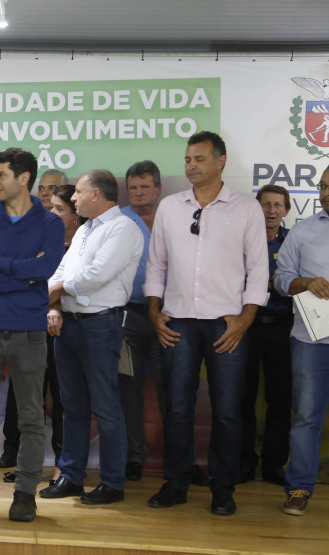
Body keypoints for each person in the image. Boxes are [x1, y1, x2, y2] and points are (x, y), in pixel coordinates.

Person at [144, 131, 268, 516]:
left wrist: (245, 319)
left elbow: (258, 269)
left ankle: (223, 486)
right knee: (177, 408)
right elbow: (156, 264)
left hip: (226, 325)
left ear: (220, 161)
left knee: (227, 410)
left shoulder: (246, 208)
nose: (191, 166)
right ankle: (177, 481)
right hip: (177, 321)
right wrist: (154, 310)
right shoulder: (170, 207)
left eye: (199, 159)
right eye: (187, 159)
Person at [0, 148, 64, 522]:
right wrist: (24, 273)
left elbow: (47, 269)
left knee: (31, 419)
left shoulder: (50, 224)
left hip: (29, 333)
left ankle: (25, 495)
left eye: (1, 175)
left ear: (24, 178)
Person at [41, 170, 143, 506]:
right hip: (69, 325)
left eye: (78, 193)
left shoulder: (123, 228)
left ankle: (113, 482)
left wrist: (54, 291)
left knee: (106, 406)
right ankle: (71, 476)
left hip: (101, 325)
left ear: (97, 194)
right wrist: (54, 294)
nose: (73, 198)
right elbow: (62, 270)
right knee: (73, 405)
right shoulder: (85, 229)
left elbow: (95, 276)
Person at [0, 184, 81, 484]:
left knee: (62, 396)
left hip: (67, 329)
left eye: (60, 209)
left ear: (75, 215)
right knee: (25, 393)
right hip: (31, 323)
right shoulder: (39, 238)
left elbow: (74, 282)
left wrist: (54, 305)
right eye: (50, 209)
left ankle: (62, 462)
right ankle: (20, 457)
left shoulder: (82, 243)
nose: (52, 214)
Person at [273, 165, 329, 516]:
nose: (326, 193)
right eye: (323, 186)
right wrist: (306, 282)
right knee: (306, 416)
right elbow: (281, 279)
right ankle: (299, 488)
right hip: (310, 340)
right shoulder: (303, 231)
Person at [239, 185, 294, 486]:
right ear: (256, 207)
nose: (271, 211)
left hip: (284, 326)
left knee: (280, 399)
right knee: (243, 397)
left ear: (286, 210)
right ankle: (244, 463)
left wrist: (282, 282)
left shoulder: (294, 241)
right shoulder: (243, 239)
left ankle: (273, 464)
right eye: (265, 204)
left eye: (277, 205)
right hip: (247, 325)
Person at [118, 160, 163, 482]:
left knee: (173, 386)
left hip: (167, 316)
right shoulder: (118, 220)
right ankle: (132, 457)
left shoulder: (174, 217)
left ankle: (180, 459)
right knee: (127, 388)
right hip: (128, 315)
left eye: (145, 186)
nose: (138, 193)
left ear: (158, 189)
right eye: (132, 187)